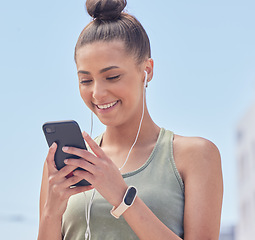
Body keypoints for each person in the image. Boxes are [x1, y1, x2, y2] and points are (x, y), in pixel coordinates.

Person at [37, 0, 223, 239]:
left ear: (147, 70)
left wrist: (121, 196)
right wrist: (50, 213)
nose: (97, 93)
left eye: (112, 77)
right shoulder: (67, 164)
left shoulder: (195, 156)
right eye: (85, 80)